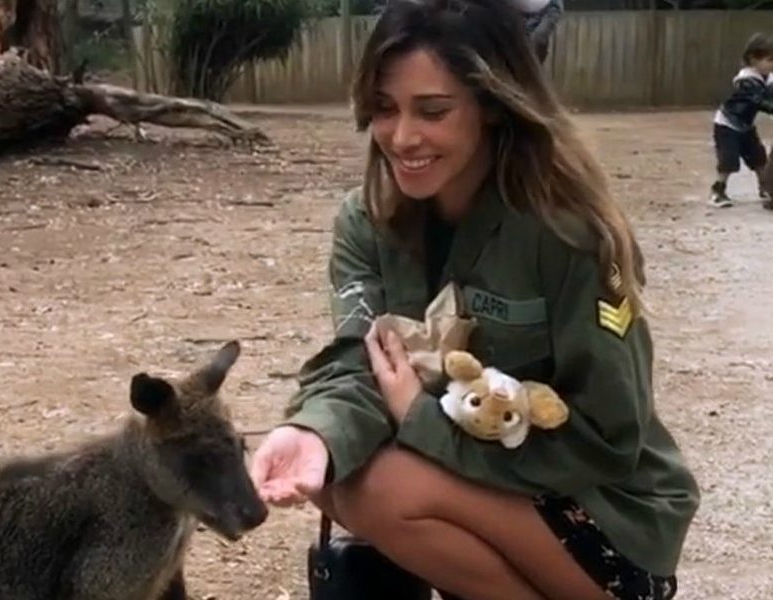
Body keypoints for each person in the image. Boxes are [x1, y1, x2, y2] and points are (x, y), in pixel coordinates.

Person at [248, 1, 700, 600]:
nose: (402, 138)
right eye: (383, 109)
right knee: (331, 469)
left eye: (432, 111)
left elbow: (609, 437)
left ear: (490, 104)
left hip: (606, 509)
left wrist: (425, 425)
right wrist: (314, 431)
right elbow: (356, 360)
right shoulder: (365, 222)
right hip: (488, 490)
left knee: (380, 488)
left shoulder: (566, 233)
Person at [708, 32, 773, 209]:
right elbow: (758, 100)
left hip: (745, 126)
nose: (772, 64)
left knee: (759, 158)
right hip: (727, 124)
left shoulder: (765, 77)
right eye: (769, 60)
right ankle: (718, 190)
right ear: (753, 59)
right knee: (728, 160)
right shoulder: (747, 80)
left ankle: (766, 188)